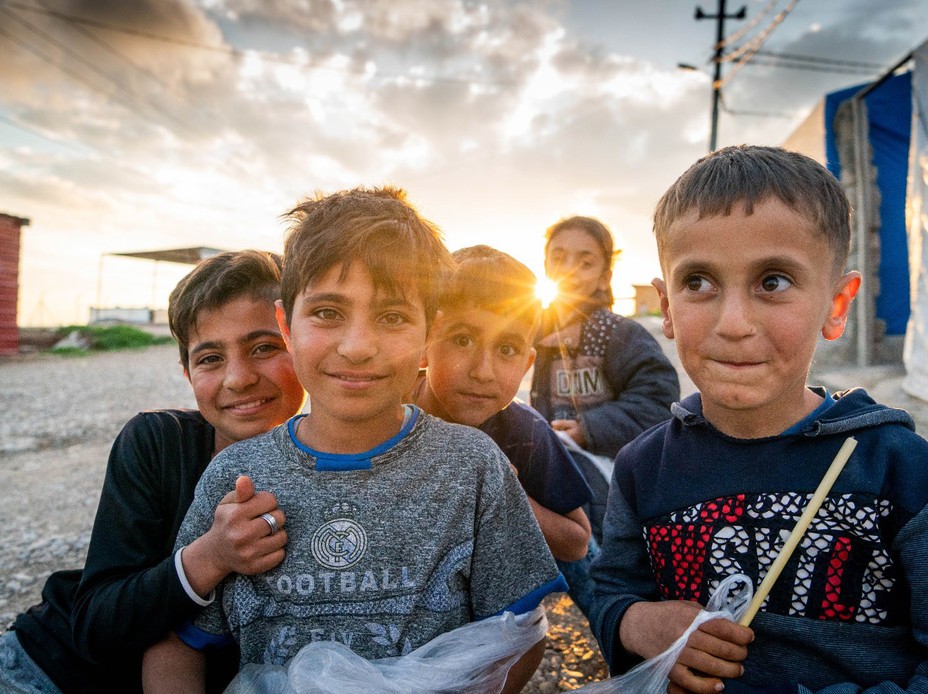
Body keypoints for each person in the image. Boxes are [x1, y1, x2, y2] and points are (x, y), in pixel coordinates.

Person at [142, 187, 566, 694]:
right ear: (286, 325)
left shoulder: (473, 467)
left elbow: (520, 632)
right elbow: (179, 642)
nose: (358, 346)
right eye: (327, 312)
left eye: (392, 317)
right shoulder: (236, 478)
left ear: (428, 333)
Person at [590, 145, 928, 693]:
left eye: (772, 281)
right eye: (698, 282)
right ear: (666, 308)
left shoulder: (904, 473)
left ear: (836, 305)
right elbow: (610, 589)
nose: (733, 323)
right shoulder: (643, 468)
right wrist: (638, 623)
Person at [0, 250, 307, 693]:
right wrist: (212, 556)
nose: (238, 378)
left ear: (303, 344)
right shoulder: (158, 443)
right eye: (210, 359)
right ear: (186, 373)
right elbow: (95, 624)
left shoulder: (337, 462)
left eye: (264, 348)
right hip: (51, 671)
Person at [411, 244, 593, 562]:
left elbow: (577, 544)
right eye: (463, 340)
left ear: (526, 364)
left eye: (507, 349)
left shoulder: (526, 432)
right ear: (423, 344)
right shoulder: (387, 414)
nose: (483, 372)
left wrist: (508, 494)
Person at [531, 214, 680, 547]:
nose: (569, 269)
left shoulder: (617, 333)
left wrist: (588, 429)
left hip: (607, 474)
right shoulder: (537, 329)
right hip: (555, 466)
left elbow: (658, 400)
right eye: (558, 258)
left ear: (604, 276)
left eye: (585, 263)